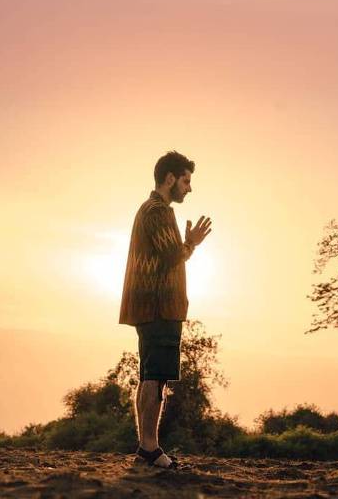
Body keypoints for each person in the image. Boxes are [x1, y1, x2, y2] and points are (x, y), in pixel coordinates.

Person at [119, 151, 212, 468]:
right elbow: (173, 255)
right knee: (155, 377)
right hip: (159, 306)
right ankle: (149, 448)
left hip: (151, 306)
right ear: (170, 178)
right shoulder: (158, 211)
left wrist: (185, 246)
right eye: (186, 180)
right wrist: (192, 243)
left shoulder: (151, 210)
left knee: (150, 375)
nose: (189, 188)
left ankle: (147, 447)